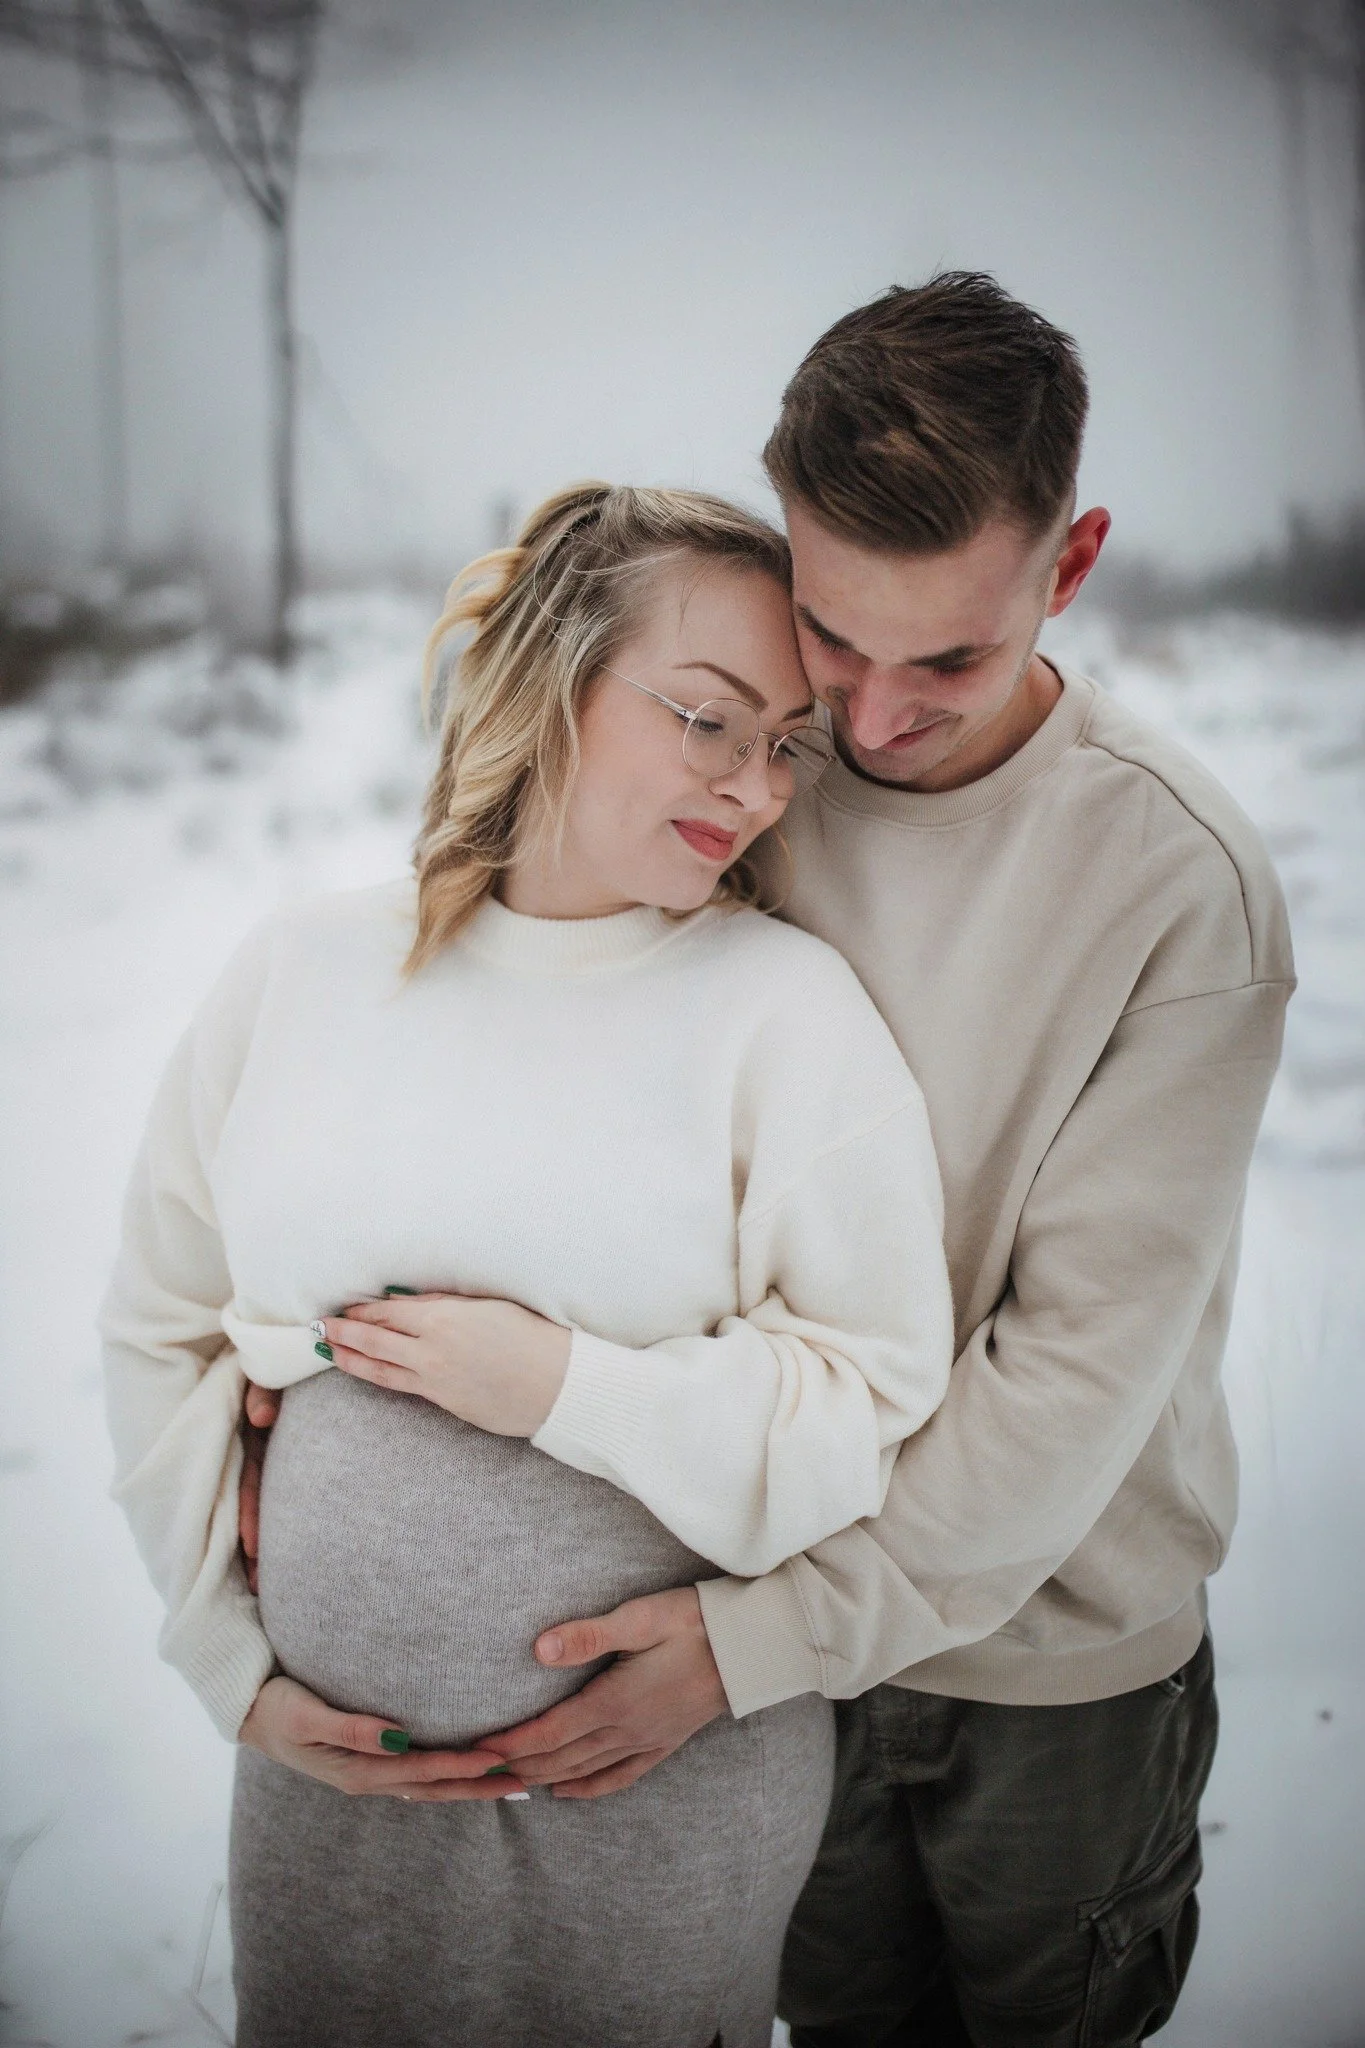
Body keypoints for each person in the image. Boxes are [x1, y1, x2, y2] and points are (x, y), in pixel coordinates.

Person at [306, 275, 1291, 2048]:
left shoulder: (1179, 890)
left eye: (952, 658)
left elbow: (1071, 1374)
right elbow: (544, 1056)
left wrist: (756, 1644)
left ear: (1068, 566)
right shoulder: (749, 777)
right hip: (741, 1623)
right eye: (837, 635)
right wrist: (301, 1385)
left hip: (1044, 1673)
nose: (877, 716)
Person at [99, 482, 956, 2048]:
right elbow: (160, 1326)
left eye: (783, 742)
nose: (756, 786)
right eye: (707, 721)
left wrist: (567, 1389)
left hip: (655, 1806)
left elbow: (870, 1393)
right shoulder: (302, 974)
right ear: (556, 679)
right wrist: (230, 1664)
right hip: (334, 1810)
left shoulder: (784, 1015)